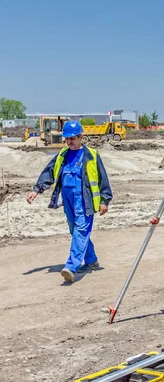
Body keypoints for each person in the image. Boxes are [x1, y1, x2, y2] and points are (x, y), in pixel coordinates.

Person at [26, 120, 112, 283]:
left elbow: (102, 180)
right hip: (68, 202)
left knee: (80, 231)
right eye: (67, 139)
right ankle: (91, 260)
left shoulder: (91, 156)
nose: (69, 141)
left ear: (81, 137)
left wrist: (104, 200)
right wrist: (36, 190)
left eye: (72, 138)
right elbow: (49, 173)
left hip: (85, 201)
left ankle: (71, 267)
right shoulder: (63, 155)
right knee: (75, 231)